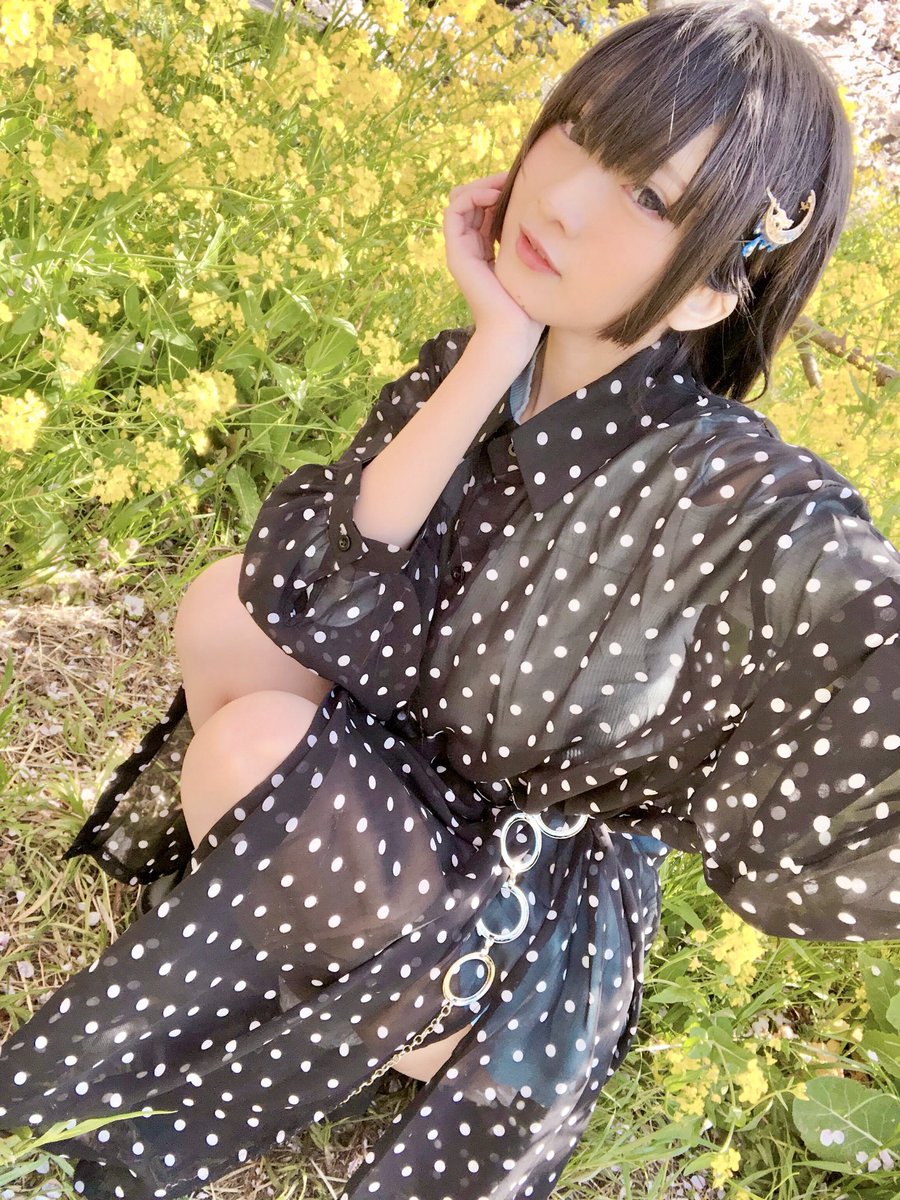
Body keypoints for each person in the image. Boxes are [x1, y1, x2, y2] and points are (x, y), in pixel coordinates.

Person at [1, 1, 898, 1197]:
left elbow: (859, 625)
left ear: (709, 292)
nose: (563, 198)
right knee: (227, 610)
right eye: (580, 132)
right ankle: (301, 940)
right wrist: (491, 347)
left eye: (648, 197)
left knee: (250, 748)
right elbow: (331, 581)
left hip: (509, 928)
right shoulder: (506, 364)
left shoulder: (732, 491)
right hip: (417, 786)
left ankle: (353, 1009)